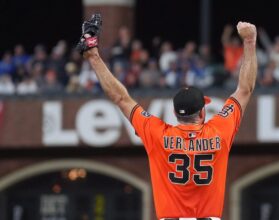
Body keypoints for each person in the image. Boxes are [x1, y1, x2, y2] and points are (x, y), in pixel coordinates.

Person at [76, 14, 257, 220]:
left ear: (175, 113)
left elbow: (121, 98)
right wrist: (249, 42)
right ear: (202, 112)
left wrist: (94, 57)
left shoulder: (158, 135)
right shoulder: (219, 131)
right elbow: (245, 89)